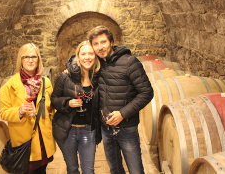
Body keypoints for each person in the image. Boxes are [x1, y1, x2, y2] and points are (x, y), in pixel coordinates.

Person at [87, 26, 154, 174]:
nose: (100, 47)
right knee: (115, 169)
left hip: (126, 127)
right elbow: (78, 60)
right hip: (106, 127)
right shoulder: (97, 64)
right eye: (96, 44)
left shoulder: (130, 62)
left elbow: (147, 92)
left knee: (135, 169)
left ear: (111, 42)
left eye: (103, 42)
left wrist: (123, 113)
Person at [0, 43, 56, 174]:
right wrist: (19, 111)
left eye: (34, 57)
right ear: (21, 60)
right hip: (25, 143)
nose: (30, 60)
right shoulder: (9, 86)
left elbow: (51, 108)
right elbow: (3, 113)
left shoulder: (45, 82)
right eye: (26, 57)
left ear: (38, 60)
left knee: (42, 171)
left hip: (43, 140)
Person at [51, 41, 102, 174]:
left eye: (91, 53)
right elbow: (54, 100)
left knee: (88, 170)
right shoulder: (65, 76)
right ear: (78, 56)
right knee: (72, 169)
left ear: (95, 56)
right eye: (83, 54)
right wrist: (67, 103)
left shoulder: (99, 77)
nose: (87, 57)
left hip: (88, 130)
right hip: (68, 130)